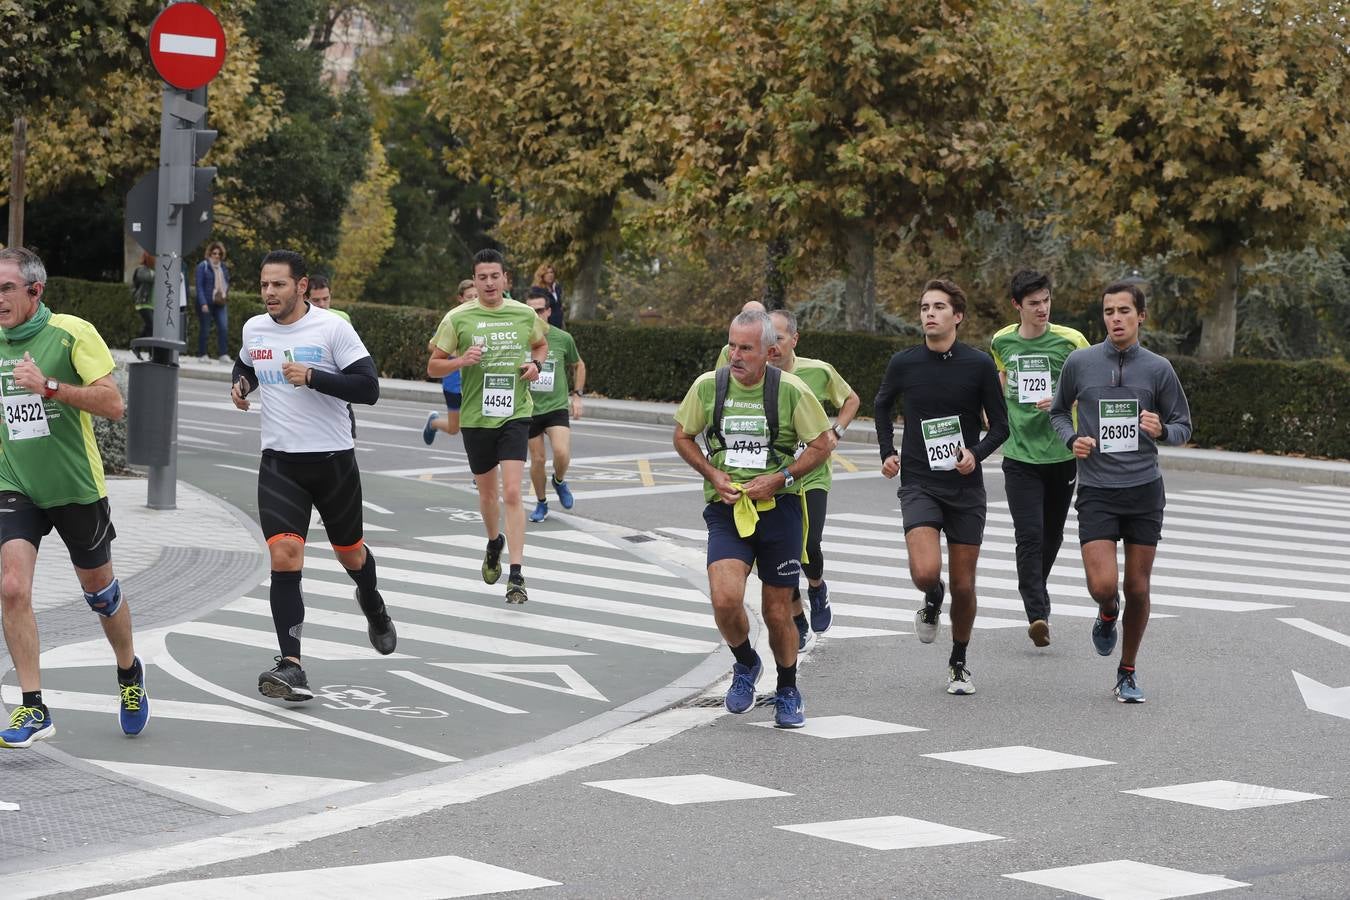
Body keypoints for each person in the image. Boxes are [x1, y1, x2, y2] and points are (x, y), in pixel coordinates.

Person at [229, 249, 396, 701]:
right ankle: (291, 664)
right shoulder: (254, 328)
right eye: (264, 284)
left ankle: (373, 604)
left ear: (301, 286)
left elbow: (369, 388)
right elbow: (247, 362)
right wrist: (242, 383)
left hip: (333, 463)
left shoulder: (331, 327)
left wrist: (314, 376)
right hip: (280, 463)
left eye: (278, 285)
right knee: (284, 554)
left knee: (352, 556)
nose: (268, 293)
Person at [0, 247, 149, 748]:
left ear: (35, 291)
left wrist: (49, 386)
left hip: (74, 487)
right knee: (13, 588)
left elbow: (113, 404)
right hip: (14, 483)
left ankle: (129, 672)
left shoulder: (71, 332)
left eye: (6, 289)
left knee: (100, 594)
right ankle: (33, 707)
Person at [674, 310, 832, 729]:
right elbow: (681, 435)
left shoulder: (791, 391)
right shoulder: (709, 387)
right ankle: (746, 662)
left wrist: (780, 477)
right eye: (732, 346)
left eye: (746, 348)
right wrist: (712, 473)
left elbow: (822, 443)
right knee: (724, 599)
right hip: (727, 509)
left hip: (779, 509)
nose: (736, 355)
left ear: (770, 351)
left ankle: (788, 688)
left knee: (777, 610)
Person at [1050, 281, 1191, 704]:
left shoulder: (1158, 368)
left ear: (1140, 316)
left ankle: (1127, 671)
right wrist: (1072, 439)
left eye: (1124, 311)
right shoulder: (1080, 362)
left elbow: (1184, 427)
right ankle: (1107, 612)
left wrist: (1162, 429)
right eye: (1109, 311)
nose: (1116, 318)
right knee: (1103, 584)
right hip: (1096, 487)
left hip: (1144, 490)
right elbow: (1058, 411)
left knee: (1139, 588)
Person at [874, 278, 1008, 696]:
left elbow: (1001, 426)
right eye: (924, 307)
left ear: (958, 316)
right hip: (919, 483)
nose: (929, 313)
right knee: (926, 571)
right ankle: (933, 598)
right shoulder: (904, 363)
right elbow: (881, 405)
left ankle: (958, 662)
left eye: (938, 307)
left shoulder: (979, 364)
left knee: (965, 585)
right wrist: (887, 450)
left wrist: (976, 453)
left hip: (965, 487)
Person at [427, 249, 548, 604]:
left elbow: (540, 346)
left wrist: (536, 366)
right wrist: (461, 360)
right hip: (477, 417)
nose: (490, 283)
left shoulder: (524, 314)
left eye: (495, 276)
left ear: (505, 279)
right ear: (475, 281)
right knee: (487, 495)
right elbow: (433, 366)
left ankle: (517, 575)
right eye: (483, 277)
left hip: (515, 412)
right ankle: (494, 541)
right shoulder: (458, 318)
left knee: (512, 492)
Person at [989, 270, 1089, 647]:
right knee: (1028, 534)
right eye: (1033, 304)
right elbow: (1001, 377)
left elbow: (1090, 386)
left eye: (1046, 301)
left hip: (1061, 452)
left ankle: (1036, 588)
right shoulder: (1002, 340)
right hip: (1019, 453)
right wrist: (994, 411)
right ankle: (1037, 613)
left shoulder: (1071, 341)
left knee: (1052, 534)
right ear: (1017, 306)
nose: (1042, 309)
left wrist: (1065, 400)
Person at [768, 308, 860, 649]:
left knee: (808, 544)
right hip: (777, 475)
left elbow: (851, 398)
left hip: (815, 472)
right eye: (767, 339)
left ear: (794, 339)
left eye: (777, 339)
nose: (772, 346)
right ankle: (797, 619)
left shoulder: (818, 371)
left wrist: (836, 430)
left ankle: (818, 588)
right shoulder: (758, 377)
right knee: (783, 549)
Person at [524, 288, 586, 523]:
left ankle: (559, 480)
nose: (535, 315)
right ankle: (541, 503)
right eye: (530, 310)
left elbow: (578, 364)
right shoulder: (521, 338)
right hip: (528, 408)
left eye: (539, 310)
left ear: (548, 311)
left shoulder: (562, 338)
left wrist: (577, 395)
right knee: (537, 459)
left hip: (556, 406)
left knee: (561, 452)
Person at [423, 279, 477, 444]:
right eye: (469, 296)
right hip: (454, 381)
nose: (474, 299)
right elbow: (432, 346)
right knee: (454, 429)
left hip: (475, 382)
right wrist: (457, 353)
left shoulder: (485, 318)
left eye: (476, 295)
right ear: (461, 298)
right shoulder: (454, 319)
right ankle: (433, 422)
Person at [195, 241, 231, 362]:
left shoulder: (223, 267)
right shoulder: (203, 266)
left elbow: (227, 283)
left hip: (220, 302)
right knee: (205, 328)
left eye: (219, 254)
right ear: (209, 253)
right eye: (214, 253)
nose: (217, 256)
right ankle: (202, 354)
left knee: (223, 327)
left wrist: (225, 295)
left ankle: (223, 354)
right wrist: (203, 303)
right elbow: (199, 286)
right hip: (207, 302)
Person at [131, 252, 154, 360]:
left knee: (149, 327)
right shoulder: (142, 270)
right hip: (143, 302)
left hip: (153, 304)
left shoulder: (154, 270)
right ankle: (148, 351)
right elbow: (145, 278)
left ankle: (138, 347)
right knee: (151, 325)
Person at [532, 262, 564, 328]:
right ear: (542, 275)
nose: (550, 275)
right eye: (547, 273)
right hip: (545, 326)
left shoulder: (557, 288)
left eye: (551, 272)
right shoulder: (537, 290)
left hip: (558, 325)